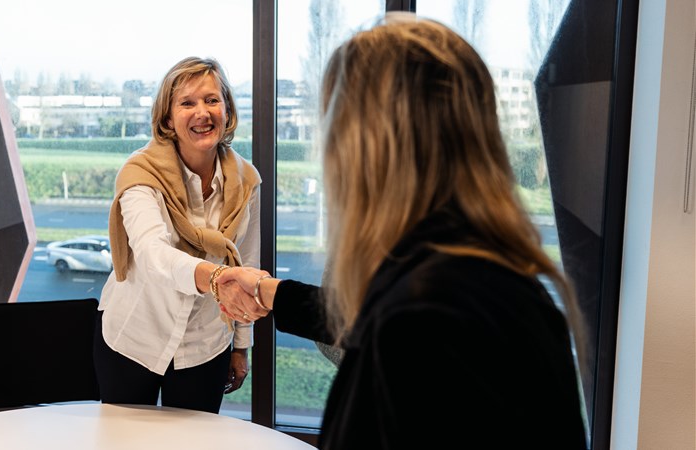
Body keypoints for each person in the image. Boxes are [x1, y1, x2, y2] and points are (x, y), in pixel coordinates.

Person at [214, 14, 588, 449]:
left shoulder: (424, 322)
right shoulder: (478, 276)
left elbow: (385, 328)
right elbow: (362, 318)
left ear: (370, 147)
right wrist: (268, 290)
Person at [93, 56, 260, 414]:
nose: (203, 112)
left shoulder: (247, 181)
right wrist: (215, 279)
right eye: (187, 102)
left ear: (227, 111)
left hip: (206, 346)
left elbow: (246, 263)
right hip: (134, 339)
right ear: (168, 118)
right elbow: (153, 254)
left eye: (212, 100)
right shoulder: (141, 174)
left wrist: (241, 346)